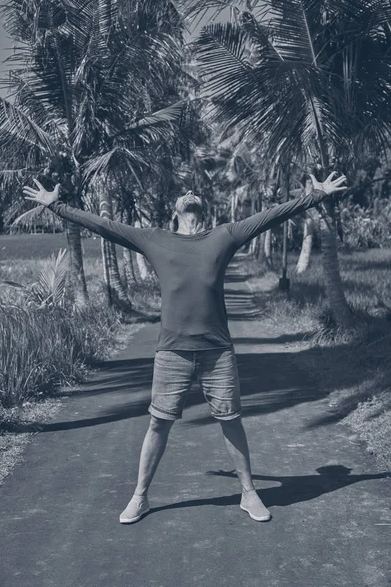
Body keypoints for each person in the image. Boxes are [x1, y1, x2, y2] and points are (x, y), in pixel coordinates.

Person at [23, 171, 348, 524]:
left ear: (200, 211)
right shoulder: (153, 239)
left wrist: (315, 196)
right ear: (175, 212)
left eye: (195, 192)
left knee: (231, 421)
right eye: (185, 192)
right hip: (172, 352)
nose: (190, 192)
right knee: (159, 424)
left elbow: (273, 215)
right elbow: (104, 226)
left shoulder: (224, 235)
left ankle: (249, 493)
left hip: (217, 351)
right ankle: (140, 497)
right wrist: (58, 207)